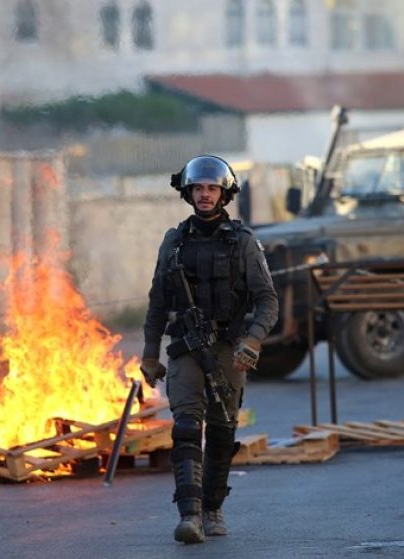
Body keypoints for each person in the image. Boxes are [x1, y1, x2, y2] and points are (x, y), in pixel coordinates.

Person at [141, 155, 279, 543]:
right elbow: (156, 303)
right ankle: (189, 516)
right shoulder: (174, 242)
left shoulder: (244, 243)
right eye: (198, 188)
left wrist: (251, 341)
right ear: (188, 193)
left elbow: (268, 300)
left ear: (224, 194)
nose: (204, 195)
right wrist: (150, 353)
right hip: (185, 347)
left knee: (222, 431)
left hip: (228, 348)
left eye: (211, 188)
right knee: (186, 426)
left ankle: (213, 509)